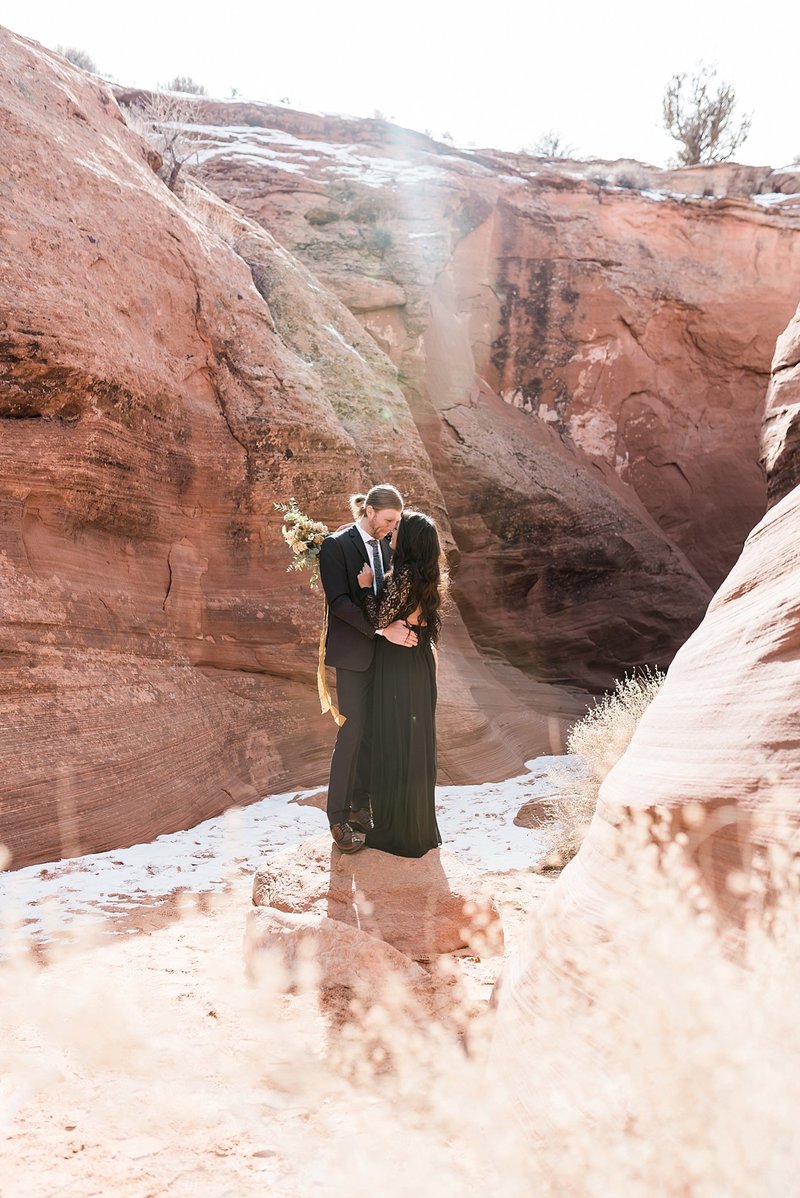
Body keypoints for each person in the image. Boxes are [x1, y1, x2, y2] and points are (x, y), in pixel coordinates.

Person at [318, 484, 418, 854]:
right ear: (371, 510)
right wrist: (380, 628)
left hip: (387, 655)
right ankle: (337, 817)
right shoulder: (336, 545)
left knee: (375, 731)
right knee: (353, 730)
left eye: (396, 523)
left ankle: (361, 807)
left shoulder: (387, 548)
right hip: (354, 655)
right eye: (388, 520)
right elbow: (339, 602)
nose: (392, 528)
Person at [356, 510, 445, 859]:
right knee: (415, 745)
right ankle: (418, 829)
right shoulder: (429, 575)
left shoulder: (405, 573)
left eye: (398, 528)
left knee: (393, 740)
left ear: (407, 539)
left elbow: (378, 617)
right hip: (419, 659)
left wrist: (365, 588)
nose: (392, 531)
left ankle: (395, 833)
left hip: (398, 664)